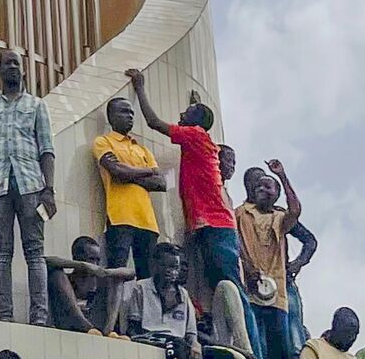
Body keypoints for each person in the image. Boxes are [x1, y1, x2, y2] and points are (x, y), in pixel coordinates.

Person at [125, 71, 242, 307]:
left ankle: (247, 341)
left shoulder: (196, 135)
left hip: (215, 225)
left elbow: (154, 123)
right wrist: (194, 106)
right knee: (216, 287)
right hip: (209, 226)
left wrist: (140, 88)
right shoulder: (199, 139)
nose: (180, 116)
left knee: (230, 286)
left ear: (195, 123)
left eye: (185, 114)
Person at [0, 48, 57, 325]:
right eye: (6, 64)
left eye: (16, 63)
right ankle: (5, 317)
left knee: (35, 252)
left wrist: (49, 189)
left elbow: (46, 149)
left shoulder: (37, 106)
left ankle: (39, 318)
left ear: (23, 70)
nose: (11, 68)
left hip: (31, 186)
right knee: (0, 253)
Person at [235, 162, 303, 359]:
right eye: (259, 187)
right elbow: (235, 240)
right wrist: (247, 266)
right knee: (255, 348)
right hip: (250, 291)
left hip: (277, 297)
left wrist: (282, 175)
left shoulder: (280, 217)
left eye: (267, 187)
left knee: (280, 350)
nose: (262, 190)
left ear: (276, 194)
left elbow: (296, 210)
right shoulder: (241, 213)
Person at [94, 96, 167, 274]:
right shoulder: (103, 142)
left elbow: (161, 183)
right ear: (111, 116)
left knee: (147, 277)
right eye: (124, 111)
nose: (130, 116)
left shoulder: (142, 149)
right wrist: (147, 171)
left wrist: (128, 173)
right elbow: (116, 171)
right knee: (116, 273)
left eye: (132, 113)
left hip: (148, 221)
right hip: (120, 217)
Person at [118, 243, 198, 359]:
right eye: (165, 265)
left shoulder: (183, 295)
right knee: (177, 347)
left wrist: (195, 346)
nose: (171, 271)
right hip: (149, 337)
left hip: (178, 342)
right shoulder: (141, 288)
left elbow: (191, 334)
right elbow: (133, 327)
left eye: (175, 267)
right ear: (154, 265)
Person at [46, 235, 133, 336]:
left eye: (97, 260)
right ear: (76, 258)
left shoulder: (100, 280)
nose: (95, 264)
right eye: (91, 259)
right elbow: (46, 261)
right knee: (56, 274)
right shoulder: (66, 279)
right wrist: (82, 265)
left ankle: (109, 331)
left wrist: (105, 272)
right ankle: (86, 327)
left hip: (98, 328)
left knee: (116, 278)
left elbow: (131, 273)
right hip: (71, 324)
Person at [283, 221, 319, 354]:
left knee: (293, 327)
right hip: (255, 282)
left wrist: (297, 263)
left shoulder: (282, 217)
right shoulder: (241, 215)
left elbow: (310, 241)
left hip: (283, 281)